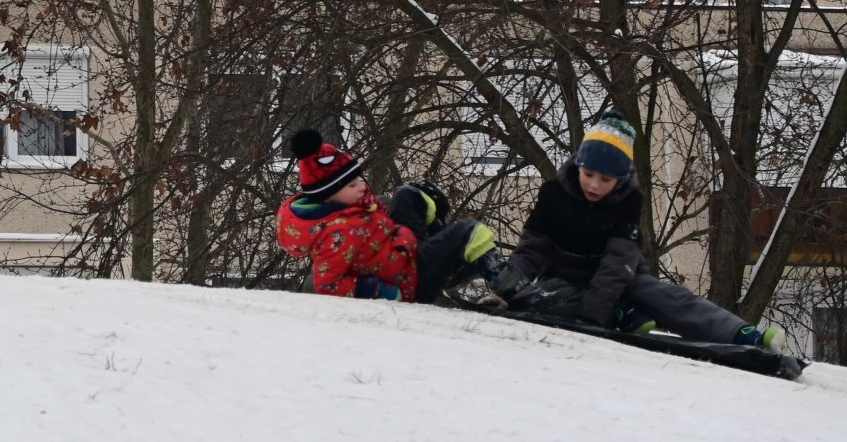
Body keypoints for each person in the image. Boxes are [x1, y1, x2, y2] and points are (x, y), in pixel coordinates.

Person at [490, 111, 791, 353]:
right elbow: (532, 249)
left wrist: (592, 317)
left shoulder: (629, 201)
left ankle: (745, 336)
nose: (594, 185)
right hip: (565, 280)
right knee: (546, 299)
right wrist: (509, 287)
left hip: (620, 279)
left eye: (605, 179)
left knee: (664, 295)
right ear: (578, 166)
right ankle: (622, 314)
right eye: (589, 174)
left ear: (620, 180)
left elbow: (618, 263)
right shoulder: (553, 193)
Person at [276, 127, 500, 304]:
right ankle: (511, 290)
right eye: (353, 184)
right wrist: (384, 293)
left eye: (359, 179)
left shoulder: (354, 207)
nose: (362, 186)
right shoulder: (338, 233)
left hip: (403, 253)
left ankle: (447, 250)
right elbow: (329, 285)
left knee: (409, 194)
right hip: (410, 279)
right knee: (468, 231)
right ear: (329, 197)